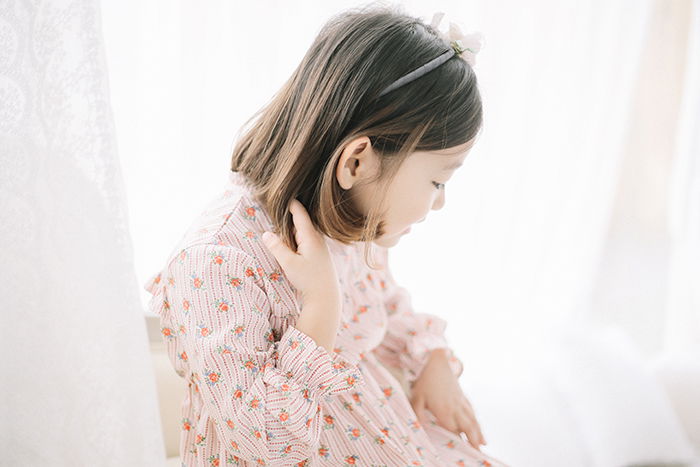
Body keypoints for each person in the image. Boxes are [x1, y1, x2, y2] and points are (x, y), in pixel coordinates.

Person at [144, 4, 509, 466]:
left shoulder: (344, 221)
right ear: (357, 161)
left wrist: (432, 357)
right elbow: (268, 443)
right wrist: (320, 310)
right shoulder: (215, 262)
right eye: (437, 181)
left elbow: (384, 304)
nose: (439, 202)